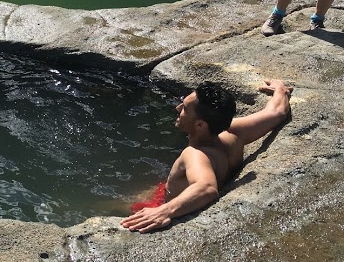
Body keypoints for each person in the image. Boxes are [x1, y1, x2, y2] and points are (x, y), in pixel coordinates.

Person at [121, 79, 292, 233]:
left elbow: (206, 188)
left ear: (200, 125)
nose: (178, 108)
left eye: (185, 109)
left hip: (168, 203)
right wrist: (280, 90)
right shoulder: (234, 132)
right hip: (177, 189)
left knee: (121, 208)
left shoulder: (195, 155)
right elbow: (277, 112)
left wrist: (164, 211)